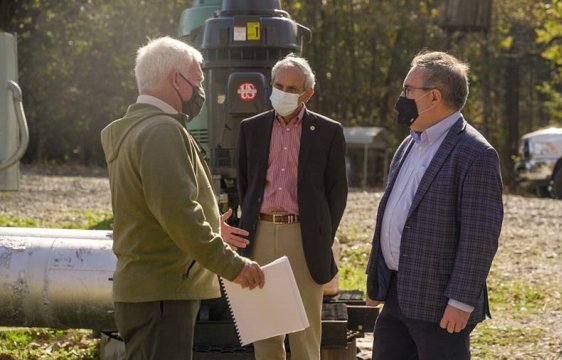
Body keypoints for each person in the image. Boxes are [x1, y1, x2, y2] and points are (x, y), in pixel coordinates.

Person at [100, 36, 264, 360]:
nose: (200, 93)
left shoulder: (136, 129)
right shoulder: (162, 131)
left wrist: (214, 225)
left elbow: (155, 208)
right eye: (198, 82)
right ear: (176, 79)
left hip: (149, 291)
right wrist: (233, 266)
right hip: (163, 293)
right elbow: (179, 212)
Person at [365, 51, 503, 360]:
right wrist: (376, 280)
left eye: (408, 90)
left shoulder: (476, 154)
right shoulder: (409, 143)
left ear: (434, 97)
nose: (401, 97)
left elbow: (479, 237)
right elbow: (392, 213)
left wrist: (461, 301)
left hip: (440, 305)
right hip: (396, 294)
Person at [236, 53, 348, 360]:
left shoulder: (328, 132)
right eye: (278, 85)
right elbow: (246, 185)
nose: (283, 93)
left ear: (307, 93)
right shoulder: (251, 128)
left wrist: (321, 235)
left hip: (304, 236)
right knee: (266, 332)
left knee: (304, 333)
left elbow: (337, 192)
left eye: (291, 88)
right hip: (259, 235)